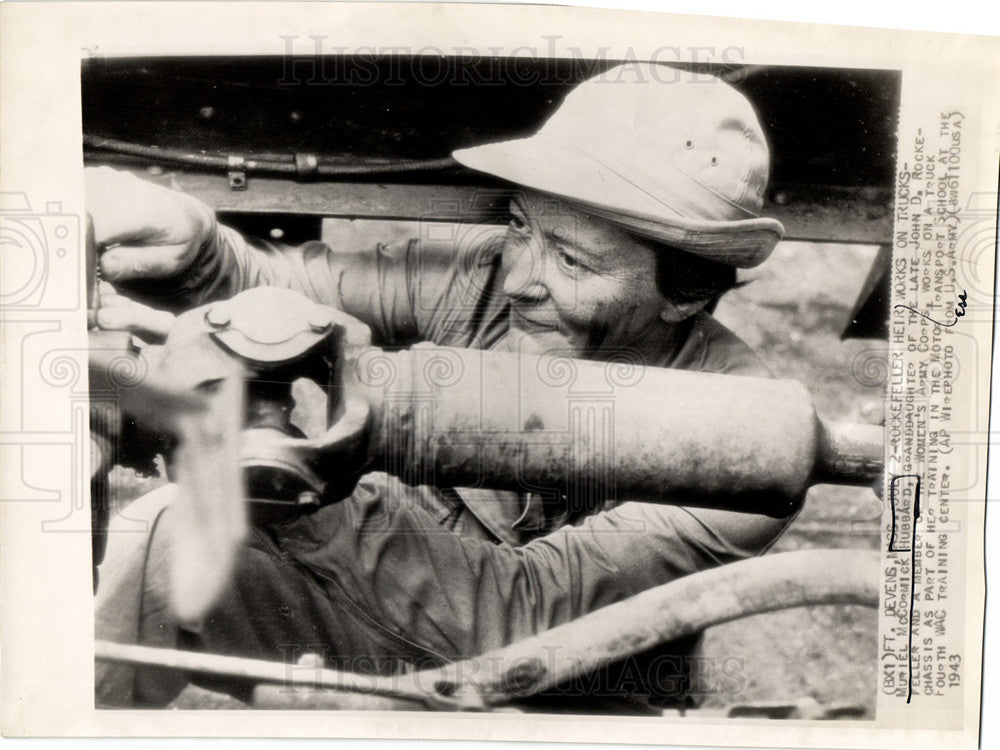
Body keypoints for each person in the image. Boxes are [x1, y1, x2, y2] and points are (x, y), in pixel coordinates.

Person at [90, 63, 798, 708]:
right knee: (157, 539)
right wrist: (202, 251)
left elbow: (520, 616)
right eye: (523, 227)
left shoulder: (749, 444)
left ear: (686, 290)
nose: (520, 280)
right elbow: (290, 291)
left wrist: (305, 475)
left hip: (566, 695)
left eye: (573, 263)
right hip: (388, 607)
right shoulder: (487, 277)